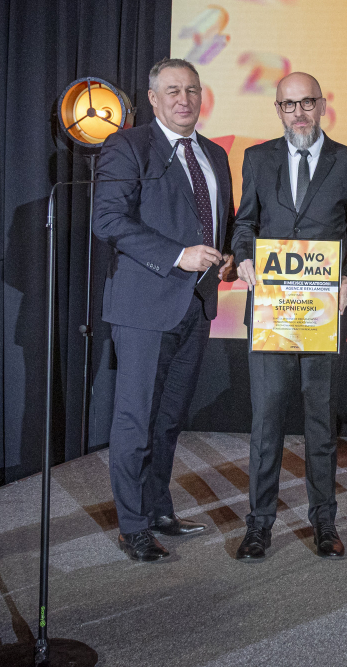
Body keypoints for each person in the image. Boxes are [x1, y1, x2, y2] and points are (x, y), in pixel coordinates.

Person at [231, 72, 347, 562]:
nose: (298, 113)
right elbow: (244, 224)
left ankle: (324, 521)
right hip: (270, 312)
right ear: (278, 109)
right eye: (288, 104)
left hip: (323, 314)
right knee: (266, 423)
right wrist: (243, 257)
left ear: (322, 105)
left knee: (320, 422)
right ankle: (258, 525)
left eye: (307, 102)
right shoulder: (257, 158)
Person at [94, 57, 235, 562]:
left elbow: (219, 220)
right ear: (153, 99)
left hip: (196, 305)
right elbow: (108, 220)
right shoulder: (128, 145)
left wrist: (226, 255)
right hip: (143, 307)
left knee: (169, 420)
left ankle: (157, 510)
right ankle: (132, 526)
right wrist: (178, 255)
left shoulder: (215, 154)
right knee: (135, 420)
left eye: (192, 90)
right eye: (172, 91)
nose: (184, 99)